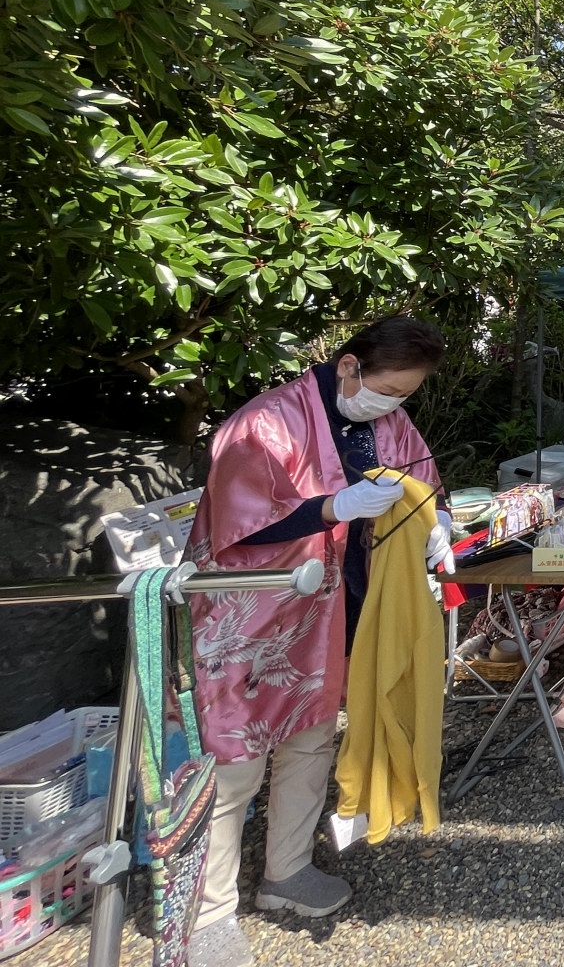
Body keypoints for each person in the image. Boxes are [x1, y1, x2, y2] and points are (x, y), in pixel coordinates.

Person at [185, 317, 449, 967]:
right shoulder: (264, 424)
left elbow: (423, 480)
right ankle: (206, 913)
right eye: (388, 390)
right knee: (235, 758)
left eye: (404, 395)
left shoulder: (388, 422)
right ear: (350, 366)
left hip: (335, 605)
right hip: (254, 612)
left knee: (311, 736)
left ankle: (287, 870)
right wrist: (335, 507)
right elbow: (239, 520)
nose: (393, 405)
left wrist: (437, 519)